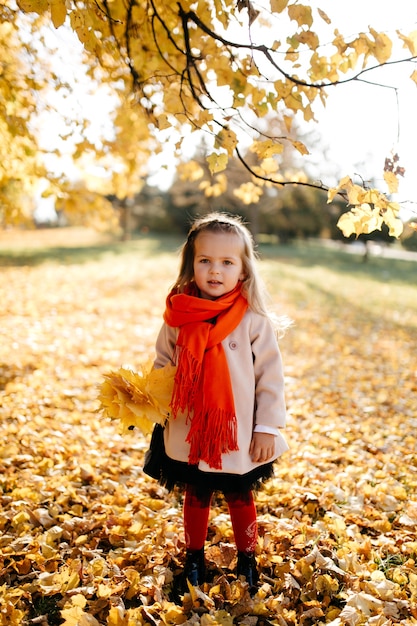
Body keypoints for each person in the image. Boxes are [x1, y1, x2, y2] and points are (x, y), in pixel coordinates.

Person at [147, 212, 288, 595]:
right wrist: (148, 399)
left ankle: (248, 558)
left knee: (241, 494)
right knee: (196, 493)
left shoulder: (254, 320)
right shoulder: (178, 316)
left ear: (243, 270)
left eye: (227, 262)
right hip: (190, 424)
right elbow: (162, 365)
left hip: (237, 431)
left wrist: (267, 427)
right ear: (191, 265)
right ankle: (194, 557)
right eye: (205, 260)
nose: (215, 270)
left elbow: (270, 378)